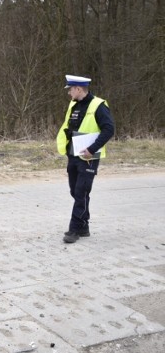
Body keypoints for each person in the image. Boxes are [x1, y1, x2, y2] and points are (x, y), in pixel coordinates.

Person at [56, 74, 115, 243]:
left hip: (89, 157)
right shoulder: (73, 105)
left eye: (70, 89)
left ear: (78, 89)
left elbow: (109, 129)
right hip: (73, 155)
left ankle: (74, 230)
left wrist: (92, 149)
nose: (68, 93)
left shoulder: (98, 105)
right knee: (75, 191)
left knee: (81, 192)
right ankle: (84, 226)